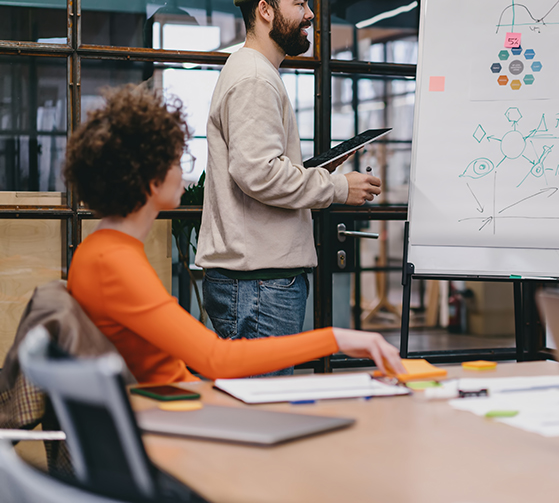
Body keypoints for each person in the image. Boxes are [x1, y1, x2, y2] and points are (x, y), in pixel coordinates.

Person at [64, 85, 405, 384]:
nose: (184, 169)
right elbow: (216, 359)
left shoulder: (101, 249)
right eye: (174, 159)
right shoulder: (114, 262)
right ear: (150, 180)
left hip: (178, 408)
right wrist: (335, 339)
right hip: (176, 423)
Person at [196, 0, 381, 375]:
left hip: (256, 282)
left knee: (256, 406)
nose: (311, 14)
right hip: (259, 284)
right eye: (300, 3)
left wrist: (315, 171)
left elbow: (254, 167)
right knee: (265, 411)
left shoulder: (253, 73)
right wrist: (337, 187)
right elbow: (258, 173)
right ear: (265, 11)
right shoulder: (255, 79)